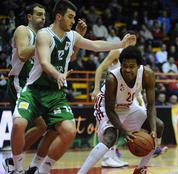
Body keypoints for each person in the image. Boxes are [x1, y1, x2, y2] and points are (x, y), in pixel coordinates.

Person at [10, 0, 136, 173]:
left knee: (69, 131)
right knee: (18, 124)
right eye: (70, 17)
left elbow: (95, 45)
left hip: (55, 94)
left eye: (74, 17)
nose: (73, 21)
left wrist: (121, 45)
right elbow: (45, 63)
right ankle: (16, 168)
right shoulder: (44, 35)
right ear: (59, 17)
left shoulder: (72, 36)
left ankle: (44, 169)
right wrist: (58, 74)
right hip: (34, 90)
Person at [2, 3, 88, 174]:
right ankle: (14, 162)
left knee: (53, 128)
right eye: (38, 14)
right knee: (37, 126)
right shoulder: (23, 30)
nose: (43, 17)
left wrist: (73, 39)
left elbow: (67, 58)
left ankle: (35, 166)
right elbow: (22, 53)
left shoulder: (49, 35)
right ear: (29, 17)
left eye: (44, 14)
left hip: (44, 86)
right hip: (22, 81)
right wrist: (47, 43)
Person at [77, 46, 164, 174]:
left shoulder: (147, 74)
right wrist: (125, 131)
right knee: (111, 137)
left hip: (128, 106)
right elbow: (110, 111)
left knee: (158, 125)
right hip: (106, 107)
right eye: (124, 66)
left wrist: (154, 131)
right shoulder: (112, 78)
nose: (127, 69)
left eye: (131, 66)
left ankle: (140, 169)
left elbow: (151, 105)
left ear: (138, 66)